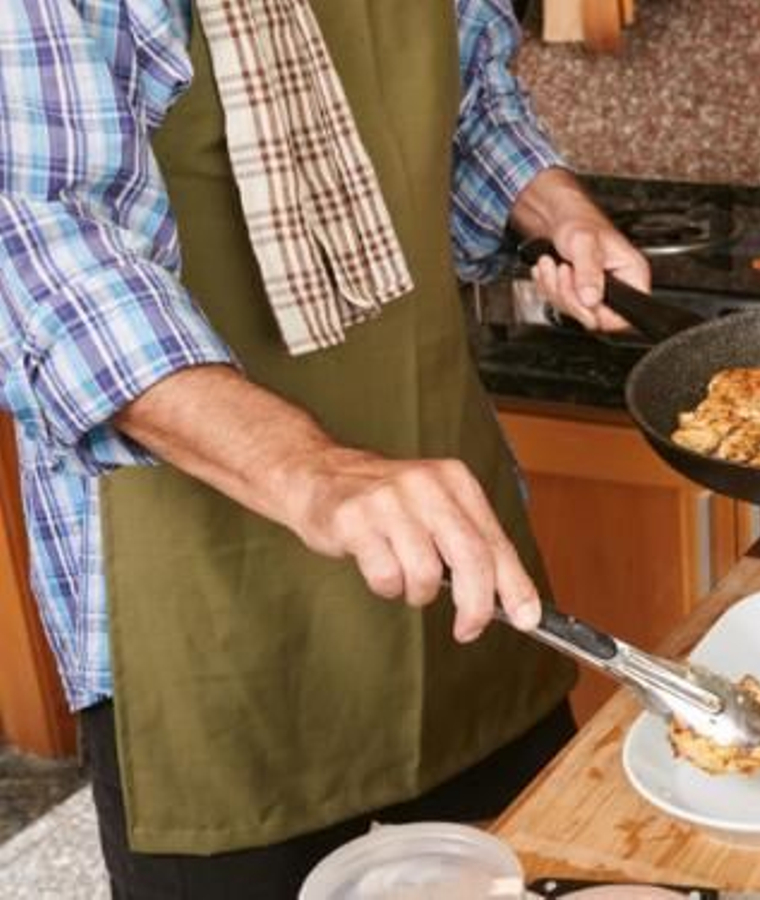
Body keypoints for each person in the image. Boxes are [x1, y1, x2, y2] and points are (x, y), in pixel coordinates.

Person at [0, 0, 648, 894]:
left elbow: (475, 105)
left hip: (458, 571)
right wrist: (319, 473)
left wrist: (558, 211)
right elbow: (42, 247)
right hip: (205, 602)